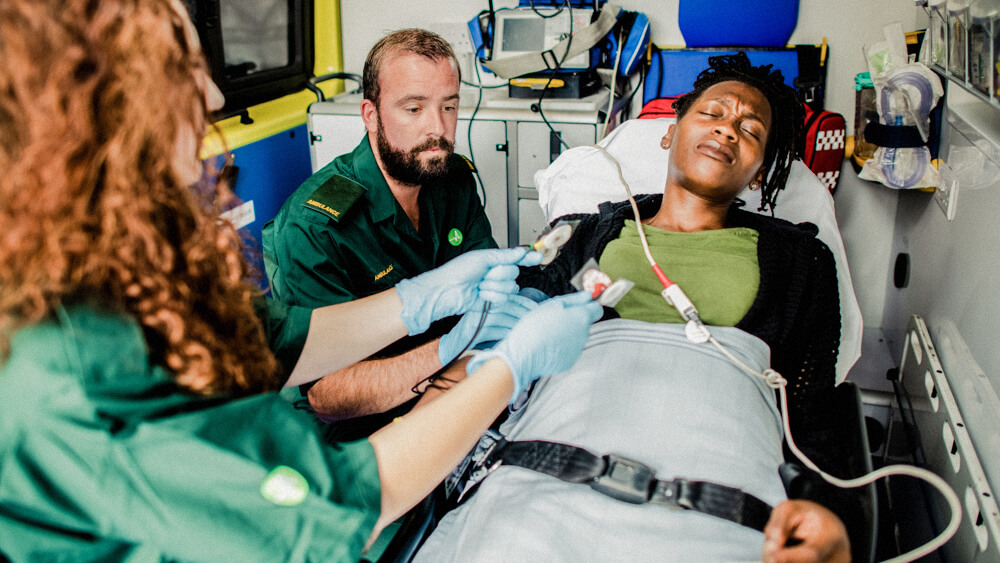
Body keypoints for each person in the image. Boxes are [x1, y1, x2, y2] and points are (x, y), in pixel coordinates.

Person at [0, 0, 604, 560]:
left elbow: (273, 340)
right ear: (93, 106)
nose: (211, 93)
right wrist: (504, 368)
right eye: (180, 68)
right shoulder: (76, 372)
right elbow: (335, 505)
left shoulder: (102, 260)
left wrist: (418, 301)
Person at [414, 53, 859, 563]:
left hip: (717, 507)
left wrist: (832, 518)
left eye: (750, 129)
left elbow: (813, 412)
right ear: (669, 134)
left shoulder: (802, 260)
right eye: (712, 114)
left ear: (760, 174)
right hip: (544, 484)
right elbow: (498, 346)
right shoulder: (589, 232)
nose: (728, 129)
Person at [262, 28, 499, 437]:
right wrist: (456, 351)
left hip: (444, 386)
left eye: (449, 107)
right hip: (355, 437)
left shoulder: (452, 177)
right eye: (413, 109)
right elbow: (330, 395)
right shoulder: (313, 226)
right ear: (371, 115)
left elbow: (485, 287)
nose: (437, 130)